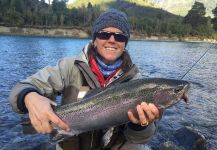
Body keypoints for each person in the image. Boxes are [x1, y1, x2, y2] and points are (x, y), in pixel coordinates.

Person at [9, 9, 161, 150]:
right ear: (94, 39)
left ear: (125, 43)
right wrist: (30, 97)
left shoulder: (137, 81)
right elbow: (19, 90)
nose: (112, 40)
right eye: (104, 34)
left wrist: (140, 125)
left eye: (120, 36)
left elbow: (141, 139)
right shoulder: (68, 67)